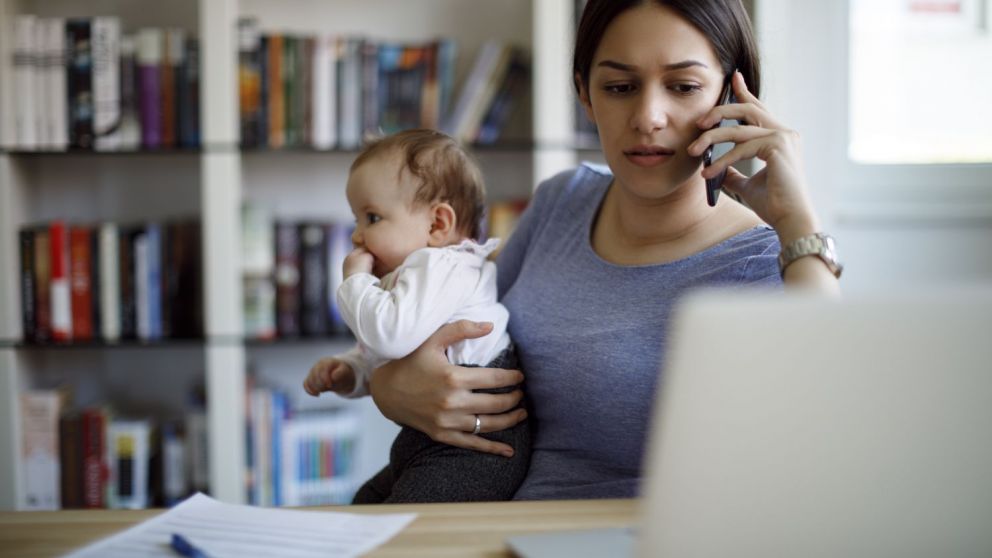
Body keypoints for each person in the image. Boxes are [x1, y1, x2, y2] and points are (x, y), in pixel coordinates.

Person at [350, 0, 840, 501]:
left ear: (734, 94)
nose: (648, 117)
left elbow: (832, 437)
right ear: (585, 94)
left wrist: (798, 221)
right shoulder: (562, 201)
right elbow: (453, 320)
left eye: (684, 86)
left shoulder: (768, 262)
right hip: (498, 529)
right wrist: (389, 386)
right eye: (620, 87)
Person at [302, 129, 530, 503]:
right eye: (357, 220)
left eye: (372, 217)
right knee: (365, 504)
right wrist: (351, 370)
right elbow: (393, 353)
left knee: (407, 531)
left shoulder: (442, 265)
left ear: (437, 225)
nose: (358, 236)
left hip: (473, 451)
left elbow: (390, 335)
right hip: (431, 440)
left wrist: (355, 280)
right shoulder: (417, 274)